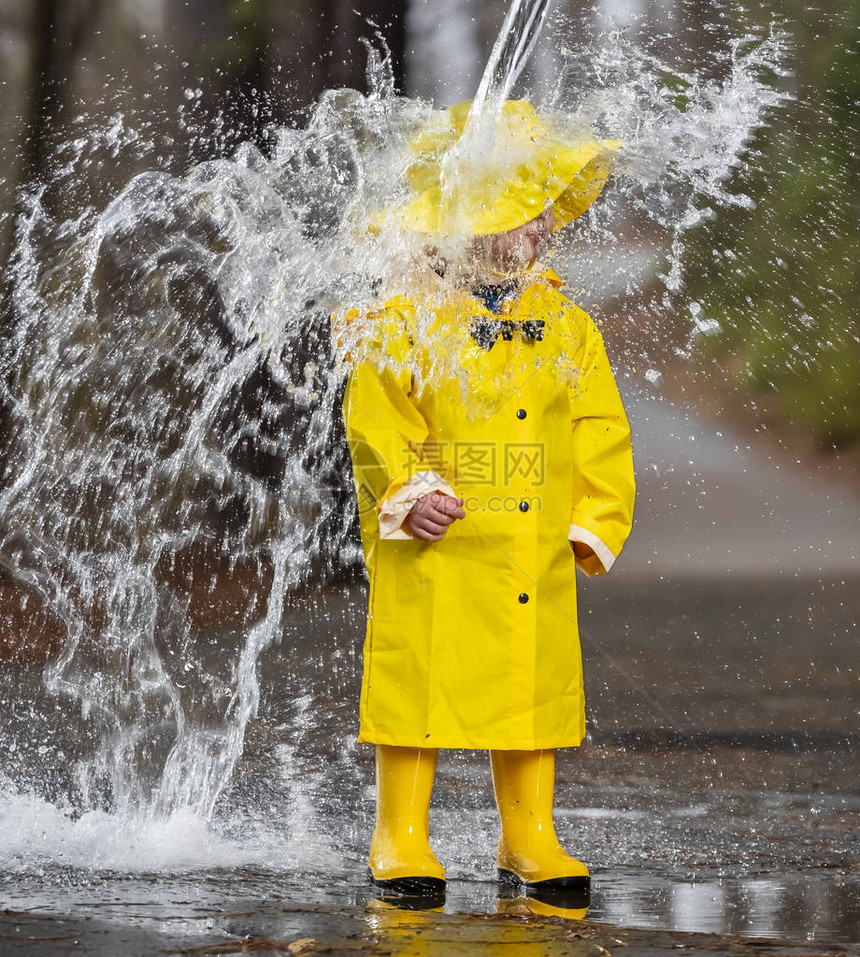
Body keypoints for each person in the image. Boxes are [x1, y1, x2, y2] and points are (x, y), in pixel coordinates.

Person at [338, 99, 635, 900]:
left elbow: (601, 425)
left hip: (528, 547)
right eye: (522, 209)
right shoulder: (402, 316)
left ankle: (528, 833)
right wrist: (408, 491)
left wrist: (596, 515)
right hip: (438, 539)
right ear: (469, 214)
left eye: (547, 210)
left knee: (527, 684)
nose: (541, 226)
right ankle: (400, 831)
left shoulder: (568, 325)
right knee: (418, 684)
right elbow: (375, 414)